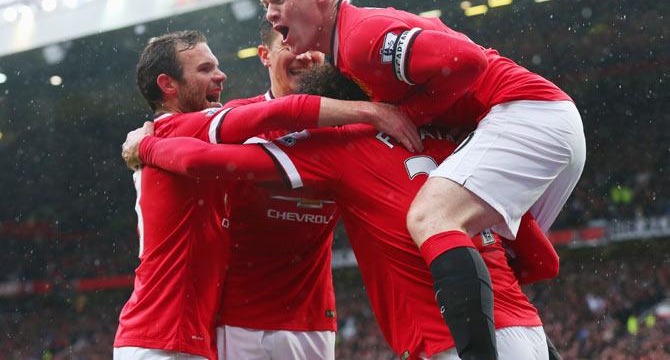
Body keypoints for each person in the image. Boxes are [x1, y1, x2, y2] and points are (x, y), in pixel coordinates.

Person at [259, 0, 586, 359]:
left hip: (524, 112)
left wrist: (414, 113)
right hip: (546, 122)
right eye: (265, 5)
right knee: (481, 250)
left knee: (432, 219)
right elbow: (543, 262)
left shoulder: (360, 39)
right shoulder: (356, 43)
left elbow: (468, 59)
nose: (271, 13)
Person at [120, 66, 560, 360]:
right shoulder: (454, 147)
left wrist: (148, 145)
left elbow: (207, 162)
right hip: (526, 329)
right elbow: (543, 259)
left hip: (452, 338)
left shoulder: (337, 146)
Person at [114, 30, 421, 359]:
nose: (221, 75)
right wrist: (372, 111)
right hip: (183, 332)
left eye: (313, 48)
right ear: (168, 85)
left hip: (240, 328)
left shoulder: (346, 136)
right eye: (204, 69)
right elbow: (276, 115)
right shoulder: (186, 129)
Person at [214, 24, 338, 360]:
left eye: (312, 45)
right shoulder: (233, 122)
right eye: (289, 44)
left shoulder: (345, 127)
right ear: (265, 56)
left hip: (314, 320)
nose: (304, 55)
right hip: (240, 319)